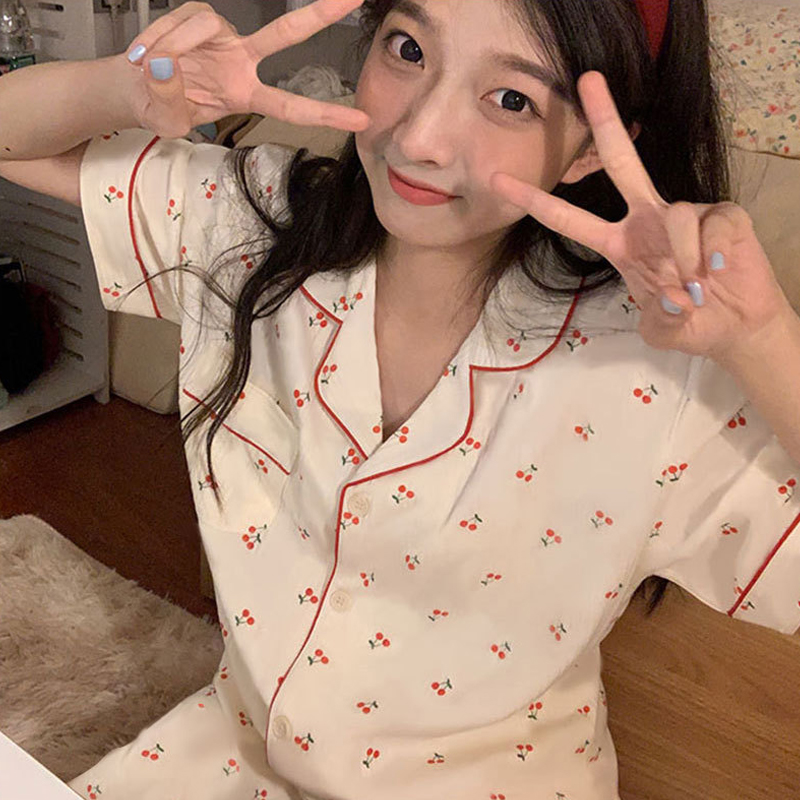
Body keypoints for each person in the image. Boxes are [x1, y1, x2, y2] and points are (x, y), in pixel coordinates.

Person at [1, 0, 799, 797]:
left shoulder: (651, 370)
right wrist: (127, 89)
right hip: (235, 758)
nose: (418, 137)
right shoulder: (255, 224)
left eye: (512, 98)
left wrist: (764, 340)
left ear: (591, 147)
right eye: (409, 49)